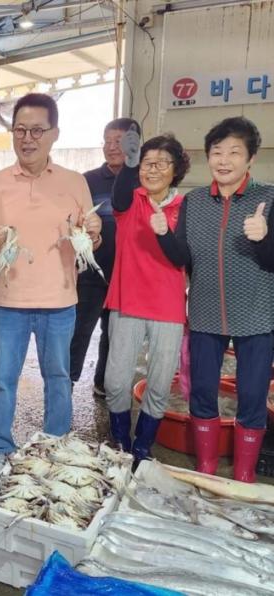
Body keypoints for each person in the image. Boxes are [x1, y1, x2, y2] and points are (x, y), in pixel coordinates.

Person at [0, 93, 102, 482]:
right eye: (20, 130)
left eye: (37, 131)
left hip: (59, 301)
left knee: (59, 378)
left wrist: (94, 234)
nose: (27, 139)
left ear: (54, 133)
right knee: (2, 380)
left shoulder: (75, 182)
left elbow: (89, 240)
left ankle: (55, 447)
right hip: (9, 302)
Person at [154, 117, 274, 483]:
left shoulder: (268, 198)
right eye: (217, 152)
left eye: (234, 152)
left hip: (256, 315)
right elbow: (182, 257)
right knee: (202, 391)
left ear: (250, 158)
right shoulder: (194, 201)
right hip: (206, 313)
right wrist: (163, 235)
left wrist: (264, 239)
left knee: (252, 396)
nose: (224, 160)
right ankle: (206, 467)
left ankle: (244, 473)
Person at [104, 133, 190, 466]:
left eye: (161, 163)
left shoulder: (186, 207)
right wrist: (129, 162)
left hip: (168, 307)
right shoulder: (130, 200)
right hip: (127, 302)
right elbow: (119, 194)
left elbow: (183, 256)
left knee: (159, 383)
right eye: (146, 163)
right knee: (115, 382)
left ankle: (142, 446)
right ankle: (121, 439)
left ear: (175, 169)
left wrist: (164, 232)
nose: (152, 170)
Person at [70, 118, 140, 397]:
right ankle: (67, 381)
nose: (111, 147)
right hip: (91, 272)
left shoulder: (142, 179)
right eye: (107, 141)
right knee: (79, 330)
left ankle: (103, 382)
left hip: (128, 275)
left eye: (118, 142)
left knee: (115, 334)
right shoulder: (86, 181)